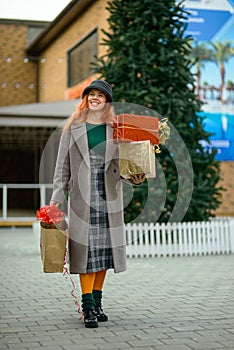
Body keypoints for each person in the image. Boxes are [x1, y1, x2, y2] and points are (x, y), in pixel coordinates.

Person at [50, 79, 145, 328]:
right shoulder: (73, 129)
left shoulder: (116, 129)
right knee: (86, 252)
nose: (95, 98)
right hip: (82, 199)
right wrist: (55, 202)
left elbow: (126, 165)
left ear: (106, 102)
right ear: (85, 99)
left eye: (100, 95)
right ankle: (88, 305)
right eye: (91, 94)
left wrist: (137, 175)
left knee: (103, 253)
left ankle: (99, 300)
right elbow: (62, 169)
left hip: (109, 198)